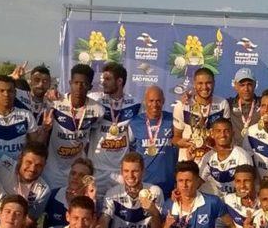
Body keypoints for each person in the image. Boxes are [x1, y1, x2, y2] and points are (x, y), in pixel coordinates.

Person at [97, 152, 172, 228]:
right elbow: (105, 218)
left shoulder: (155, 192)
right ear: (121, 172)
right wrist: (101, 227)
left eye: (135, 171)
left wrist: (154, 212)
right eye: (126, 171)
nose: (130, 176)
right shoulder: (113, 193)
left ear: (143, 172)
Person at [41, 64, 104, 189]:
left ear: (90, 87)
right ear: (70, 83)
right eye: (76, 83)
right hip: (53, 171)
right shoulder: (55, 102)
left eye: (84, 84)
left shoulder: (98, 110)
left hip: (77, 172)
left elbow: (92, 136)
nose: (79, 88)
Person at [88, 62, 141, 201]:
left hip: (121, 172)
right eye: (102, 79)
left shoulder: (135, 104)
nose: (103, 83)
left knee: (119, 213)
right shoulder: (94, 100)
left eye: (107, 79)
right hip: (97, 169)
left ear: (119, 81)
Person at [0, 141, 51, 228]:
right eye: (28, 162)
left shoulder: (44, 190)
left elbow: (29, 220)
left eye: (38, 165)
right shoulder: (0, 160)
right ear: (20, 158)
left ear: (45, 165)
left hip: (15, 224)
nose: (32, 169)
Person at [0, 75, 42, 158]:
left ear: (15, 93)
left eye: (10, 91)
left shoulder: (26, 115)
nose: (6, 94)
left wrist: (45, 129)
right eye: (2, 91)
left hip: (18, 166)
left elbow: (36, 145)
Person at [172, 68, 231, 164]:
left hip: (213, 164)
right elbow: (175, 138)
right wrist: (183, 143)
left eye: (208, 83)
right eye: (200, 83)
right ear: (194, 84)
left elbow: (228, 137)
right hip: (189, 163)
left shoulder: (222, 104)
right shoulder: (182, 105)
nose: (204, 87)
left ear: (214, 83)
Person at [129, 85, 177, 199]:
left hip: (169, 184)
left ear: (164, 101)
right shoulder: (135, 123)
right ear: (145, 101)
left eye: (158, 101)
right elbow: (129, 152)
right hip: (144, 184)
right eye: (151, 101)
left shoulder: (173, 120)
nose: (154, 105)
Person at [198, 118, 253, 198]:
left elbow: (248, 187)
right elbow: (198, 182)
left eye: (226, 131)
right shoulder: (208, 157)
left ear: (233, 133)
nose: (223, 135)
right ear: (212, 134)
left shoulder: (242, 156)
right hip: (217, 202)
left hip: (237, 201)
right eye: (218, 131)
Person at [42, 157, 95, 228]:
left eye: (81, 175)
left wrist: (92, 199)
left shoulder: (92, 200)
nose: (75, 177)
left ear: (88, 180)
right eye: (73, 173)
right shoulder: (54, 195)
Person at [226, 68, 261, 147]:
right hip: (236, 153)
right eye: (242, 85)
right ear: (235, 85)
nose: (246, 89)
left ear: (255, 85)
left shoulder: (263, 104)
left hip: (257, 153)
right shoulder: (228, 104)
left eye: (249, 84)